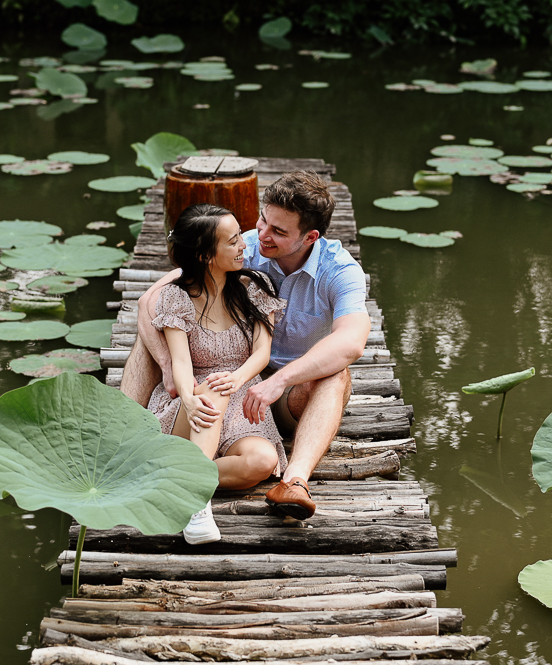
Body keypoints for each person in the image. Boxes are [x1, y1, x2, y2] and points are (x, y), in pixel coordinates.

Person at [122, 171, 371, 522]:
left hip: (286, 391)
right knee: (154, 331)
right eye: (262, 221)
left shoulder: (340, 271)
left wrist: (277, 381)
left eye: (279, 232)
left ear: (310, 237)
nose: (262, 236)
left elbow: (352, 341)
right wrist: (168, 366)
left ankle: (294, 481)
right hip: (217, 384)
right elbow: (151, 301)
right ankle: (123, 436)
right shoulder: (242, 248)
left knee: (337, 373)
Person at [149, 203, 288, 545]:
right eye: (233, 240)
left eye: (241, 235)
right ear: (206, 256)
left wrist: (238, 378)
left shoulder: (255, 288)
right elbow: (181, 362)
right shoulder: (176, 297)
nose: (245, 245)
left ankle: (175, 478)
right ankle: (197, 504)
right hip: (193, 402)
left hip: (242, 398)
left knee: (262, 460)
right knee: (213, 387)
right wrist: (188, 397)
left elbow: (262, 353)